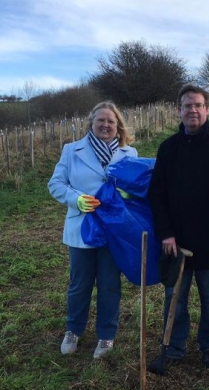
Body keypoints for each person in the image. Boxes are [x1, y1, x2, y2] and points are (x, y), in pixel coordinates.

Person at [148, 84, 209, 369]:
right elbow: (158, 194)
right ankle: (173, 347)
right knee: (174, 297)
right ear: (179, 110)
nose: (193, 110)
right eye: (187, 105)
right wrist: (166, 233)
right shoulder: (168, 149)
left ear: (207, 109)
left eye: (198, 105)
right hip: (176, 241)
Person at [48, 101, 138, 359]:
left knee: (110, 285)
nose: (106, 125)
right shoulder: (71, 150)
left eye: (111, 121)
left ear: (118, 125)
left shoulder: (129, 154)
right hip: (81, 228)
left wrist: (125, 195)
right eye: (101, 120)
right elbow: (55, 184)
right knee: (79, 284)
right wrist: (76, 198)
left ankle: (106, 336)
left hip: (113, 230)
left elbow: (136, 190)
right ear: (92, 123)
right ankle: (73, 330)